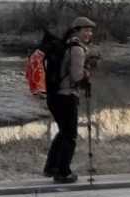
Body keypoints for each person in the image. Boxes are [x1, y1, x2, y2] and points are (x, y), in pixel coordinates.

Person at [40, 18, 95, 183]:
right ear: (76, 30)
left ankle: (51, 167)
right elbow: (76, 76)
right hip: (66, 97)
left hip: (55, 96)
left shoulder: (67, 45)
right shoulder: (77, 49)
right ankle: (63, 173)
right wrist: (87, 72)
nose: (89, 33)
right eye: (86, 30)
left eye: (90, 30)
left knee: (63, 132)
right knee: (70, 136)